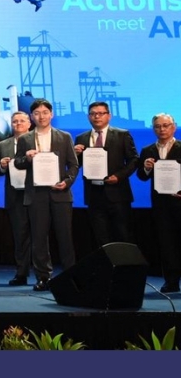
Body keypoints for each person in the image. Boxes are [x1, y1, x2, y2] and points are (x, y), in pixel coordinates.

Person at [14, 98, 79, 291]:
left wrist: (67, 181)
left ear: (52, 114)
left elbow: (73, 165)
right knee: (39, 238)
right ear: (32, 117)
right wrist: (26, 158)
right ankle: (43, 277)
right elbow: (17, 163)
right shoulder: (25, 139)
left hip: (60, 193)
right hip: (36, 194)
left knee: (65, 237)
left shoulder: (64, 137)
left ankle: (70, 276)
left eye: (45, 112)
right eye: (37, 113)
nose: (41, 116)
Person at [73, 101, 139, 247]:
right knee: (101, 237)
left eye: (100, 113)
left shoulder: (122, 134)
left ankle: (125, 262)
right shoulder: (81, 138)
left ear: (109, 116)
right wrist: (75, 155)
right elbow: (77, 164)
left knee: (123, 235)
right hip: (93, 194)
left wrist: (119, 176)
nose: (96, 117)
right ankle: (106, 263)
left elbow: (134, 160)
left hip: (118, 194)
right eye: (93, 114)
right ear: (88, 117)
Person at [136, 114, 181, 293]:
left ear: (174, 127)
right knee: (166, 243)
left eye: (165, 125)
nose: (162, 129)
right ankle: (171, 281)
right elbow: (141, 176)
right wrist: (146, 168)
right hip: (161, 205)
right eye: (157, 126)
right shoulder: (147, 150)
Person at [0, 111, 33, 286]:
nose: (18, 124)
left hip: (36, 193)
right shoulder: (4, 144)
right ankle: (21, 273)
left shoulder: (38, 141)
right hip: (15, 195)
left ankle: (43, 274)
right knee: (20, 235)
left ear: (29, 124)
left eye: (22, 121)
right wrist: (2, 165)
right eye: (15, 121)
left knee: (40, 235)